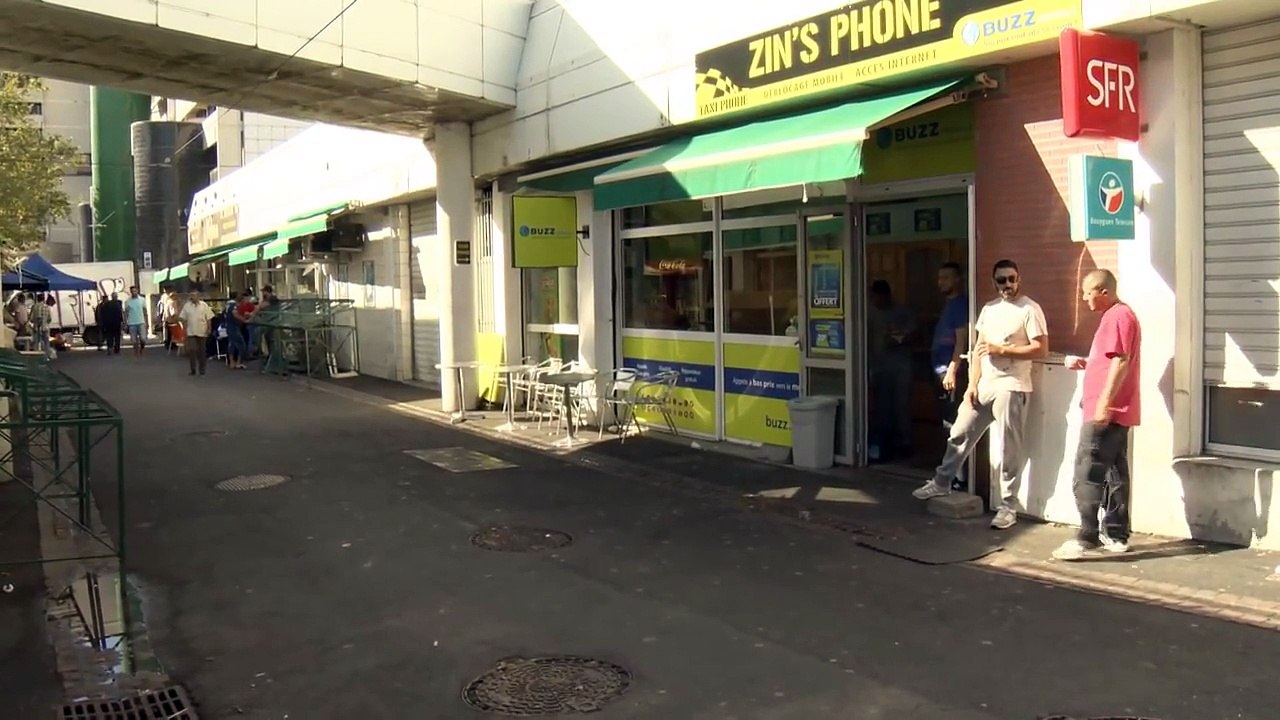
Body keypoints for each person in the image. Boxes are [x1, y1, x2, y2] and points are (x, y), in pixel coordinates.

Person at [912, 259, 1048, 531]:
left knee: (1011, 448)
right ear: (994, 282)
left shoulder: (1030, 309)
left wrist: (1004, 351)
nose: (1007, 284)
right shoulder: (989, 309)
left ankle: (1009, 506)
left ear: (1019, 279)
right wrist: (971, 386)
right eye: (1002, 280)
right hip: (984, 384)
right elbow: (977, 351)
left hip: (1012, 385)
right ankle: (941, 482)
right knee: (959, 431)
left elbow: (1041, 349)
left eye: (1012, 279)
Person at [1053, 270, 1142, 560]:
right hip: (1114, 410)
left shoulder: (1119, 316)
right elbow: (1110, 360)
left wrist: (1104, 403)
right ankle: (1116, 535)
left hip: (1106, 411)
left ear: (1103, 291)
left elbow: (1120, 361)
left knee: (1087, 471)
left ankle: (1087, 536)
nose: (1083, 297)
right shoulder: (1117, 316)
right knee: (1115, 473)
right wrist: (1088, 364)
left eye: (1087, 291)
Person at [867, 280, 915, 461]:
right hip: (878, 365)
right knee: (881, 407)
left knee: (901, 405)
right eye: (873, 297)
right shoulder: (869, 313)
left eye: (878, 296)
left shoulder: (901, 311)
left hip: (900, 365)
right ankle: (884, 443)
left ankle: (904, 443)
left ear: (886, 295)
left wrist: (899, 337)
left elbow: (915, 332)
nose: (875, 300)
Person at [932, 262, 970, 490]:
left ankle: (958, 478)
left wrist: (952, 371)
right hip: (940, 371)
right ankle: (950, 474)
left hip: (949, 373)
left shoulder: (959, 305)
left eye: (946, 278)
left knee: (954, 425)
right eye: (940, 278)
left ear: (958, 280)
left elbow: (961, 341)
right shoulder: (948, 305)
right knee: (947, 424)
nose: (941, 282)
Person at [177, 291, 215, 376]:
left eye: (194, 296)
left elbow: (208, 318)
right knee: (192, 350)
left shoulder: (204, 305)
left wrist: (209, 328)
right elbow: (183, 318)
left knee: (202, 351)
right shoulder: (187, 306)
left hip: (202, 330)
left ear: (198, 296)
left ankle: (202, 369)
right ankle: (193, 369)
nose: (192, 297)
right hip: (191, 331)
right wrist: (184, 330)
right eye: (191, 296)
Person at [125, 286, 148, 356]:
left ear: (137, 291)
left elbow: (145, 312)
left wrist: (146, 322)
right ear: (131, 292)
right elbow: (126, 313)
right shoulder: (127, 301)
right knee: (134, 341)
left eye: (135, 291)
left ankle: (142, 348)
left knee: (143, 339)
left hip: (141, 322)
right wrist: (126, 323)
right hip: (132, 323)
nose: (134, 292)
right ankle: (136, 352)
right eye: (132, 291)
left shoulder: (142, 300)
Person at [30, 292, 52, 358]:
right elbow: (49, 319)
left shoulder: (34, 307)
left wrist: (34, 321)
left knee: (36, 342)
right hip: (45, 328)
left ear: (37, 299)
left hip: (36, 328)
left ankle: (36, 357)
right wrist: (45, 322)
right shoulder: (47, 307)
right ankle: (47, 356)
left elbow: (31, 318)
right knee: (46, 342)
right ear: (43, 299)